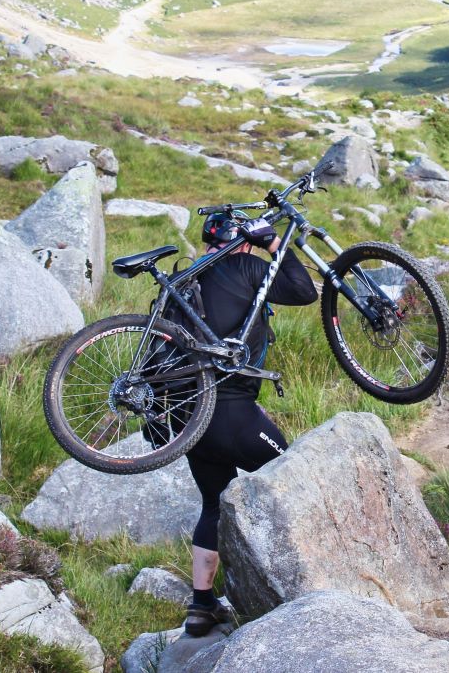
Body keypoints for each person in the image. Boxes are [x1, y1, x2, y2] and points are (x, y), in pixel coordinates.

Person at [181, 212, 317, 636]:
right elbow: (303, 290)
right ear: (243, 240)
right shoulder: (246, 265)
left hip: (189, 419)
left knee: (212, 504)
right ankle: (307, 594)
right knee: (292, 480)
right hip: (233, 413)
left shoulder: (185, 279)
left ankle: (201, 606)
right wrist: (273, 243)